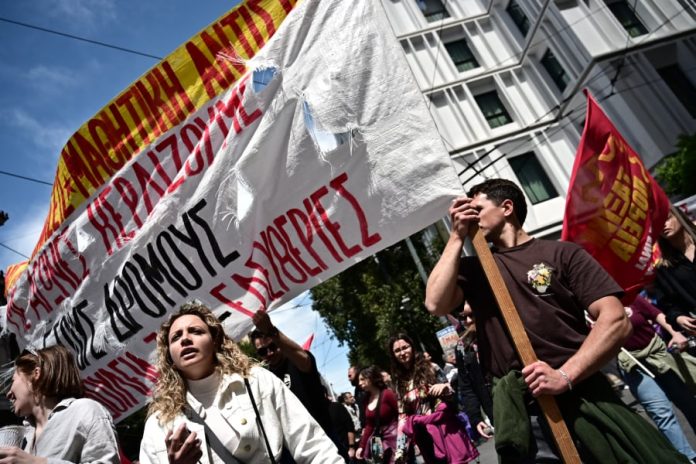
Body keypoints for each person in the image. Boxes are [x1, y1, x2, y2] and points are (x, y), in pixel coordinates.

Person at [424, 178, 688, 463]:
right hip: (524, 417)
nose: (470, 217)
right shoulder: (474, 270)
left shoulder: (563, 254)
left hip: (582, 397)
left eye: (477, 209)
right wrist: (456, 236)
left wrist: (565, 376)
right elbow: (435, 303)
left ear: (507, 208)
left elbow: (615, 320)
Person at [140, 302, 342, 463]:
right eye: (176, 337)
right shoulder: (159, 423)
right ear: (169, 355)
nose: (185, 339)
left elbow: (313, 446)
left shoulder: (256, 381)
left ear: (215, 340)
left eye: (196, 331)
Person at [2, 345, 120, 463]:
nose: (8, 393)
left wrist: (37, 462)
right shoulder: (24, 437)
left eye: (13, 380)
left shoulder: (85, 411)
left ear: (36, 374)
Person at [618, 295, 696, 461]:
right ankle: (687, 459)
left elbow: (656, 314)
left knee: (688, 402)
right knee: (661, 413)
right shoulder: (587, 316)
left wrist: (675, 334)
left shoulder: (629, 297)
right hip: (633, 365)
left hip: (659, 354)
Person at [389, 334, 478, 464]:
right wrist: (400, 448)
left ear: (412, 347)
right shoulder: (398, 383)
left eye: (405, 347)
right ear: (393, 355)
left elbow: (452, 393)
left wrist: (444, 387)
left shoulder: (431, 368)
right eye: (397, 350)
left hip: (445, 428)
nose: (402, 353)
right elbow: (402, 416)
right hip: (423, 436)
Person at [249, 309, 333, 436]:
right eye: (262, 351)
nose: (269, 353)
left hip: (323, 435)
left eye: (272, 346)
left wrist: (271, 330)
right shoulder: (266, 378)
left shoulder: (295, 361)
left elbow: (304, 359)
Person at [654, 208, 696, 340]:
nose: (663, 225)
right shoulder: (663, 268)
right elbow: (667, 304)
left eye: (667, 219)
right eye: (658, 223)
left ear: (679, 216)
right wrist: (678, 317)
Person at [356, 366, 398, 464]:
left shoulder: (387, 394)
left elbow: (401, 415)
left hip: (394, 438)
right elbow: (369, 425)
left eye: (362, 379)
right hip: (377, 440)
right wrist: (361, 446)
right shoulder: (365, 400)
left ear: (371, 378)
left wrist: (405, 438)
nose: (359, 383)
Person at [327, 392, 357, 462]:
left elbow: (350, 427)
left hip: (347, 449)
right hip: (334, 454)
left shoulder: (336, 406)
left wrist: (351, 447)